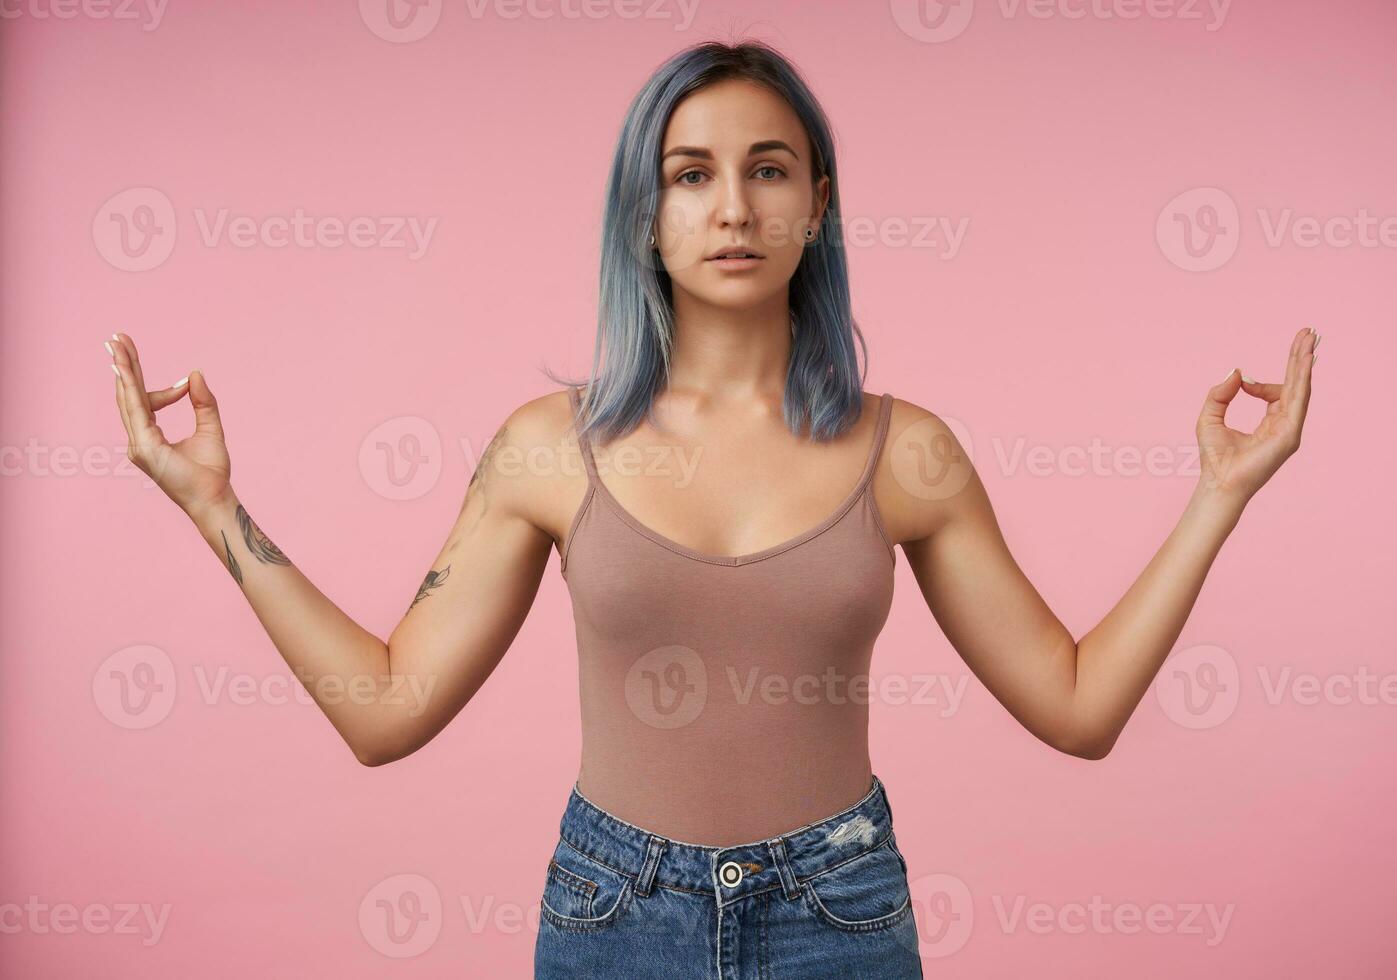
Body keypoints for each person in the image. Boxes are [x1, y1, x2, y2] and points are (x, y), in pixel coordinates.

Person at [104, 39, 1315, 980]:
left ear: (819, 203)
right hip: (611, 912)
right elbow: (382, 710)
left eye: (767, 169)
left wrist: (1220, 494)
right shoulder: (548, 450)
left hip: (843, 912)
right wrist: (214, 504)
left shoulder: (911, 453)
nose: (732, 208)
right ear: (647, 213)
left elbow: (1078, 704)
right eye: (692, 176)